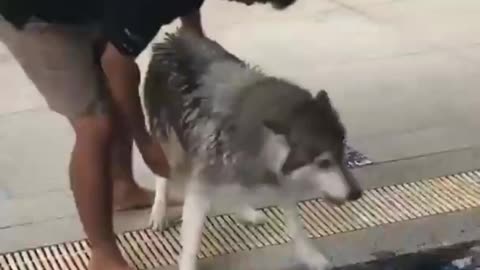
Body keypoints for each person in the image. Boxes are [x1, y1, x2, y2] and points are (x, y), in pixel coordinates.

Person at [0, 0, 297, 269]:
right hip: (35, 14)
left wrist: (205, 45)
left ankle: (123, 190)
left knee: (112, 97)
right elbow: (118, 64)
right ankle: (102, 254)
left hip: (88, 10)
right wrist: (146, 142)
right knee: (95, 125)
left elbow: (186, 26)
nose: (250, 4)